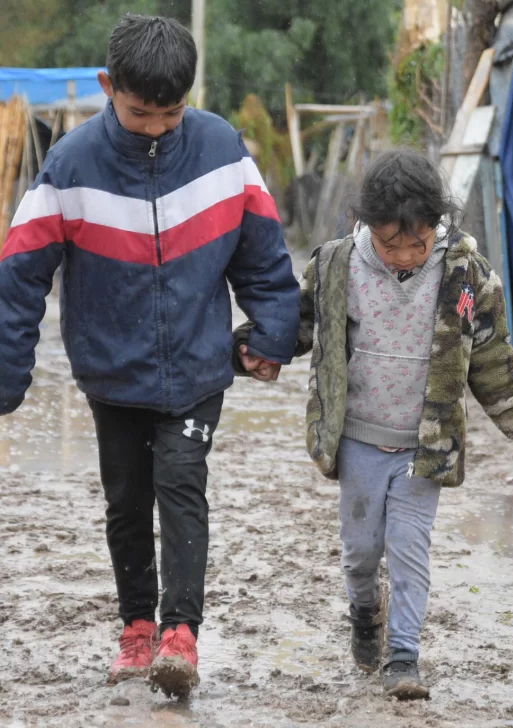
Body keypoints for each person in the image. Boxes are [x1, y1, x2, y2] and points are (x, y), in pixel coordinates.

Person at [0, 14, 298, 699]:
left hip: (198, 367)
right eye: (141, 113)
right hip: (111, 371)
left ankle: (179, 636)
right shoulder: (69, 165)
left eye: (172, 112)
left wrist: (273, 334)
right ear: (109, 87)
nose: (159, 126)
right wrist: (7, 373)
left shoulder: (222, 151)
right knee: (128, 503)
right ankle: (136, 628)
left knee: (182, 487)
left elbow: (263, 253)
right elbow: (19, 273)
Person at [237, 149, 513, 700]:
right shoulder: (337, 264)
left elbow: (490, 354)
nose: (405, 254)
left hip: (423, 445)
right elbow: (301, 323)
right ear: (365, 227)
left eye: (418, 242)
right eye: (390, 244)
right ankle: (364, 612)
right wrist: (257, 349)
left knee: (409, 548)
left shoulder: (464, 273)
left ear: (437, 225)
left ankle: (404, 655)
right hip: (357, 436)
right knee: (361, 552)